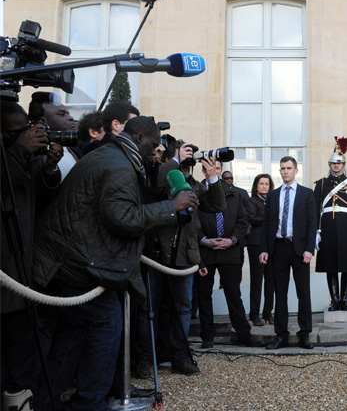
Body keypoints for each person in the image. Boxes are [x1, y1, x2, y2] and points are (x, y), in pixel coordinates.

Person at [32, 116, 198, 410]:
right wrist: (171, 207)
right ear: (138, 137)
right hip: (80, 265)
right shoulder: (120, 165)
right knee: (106, 330)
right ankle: (89, 403)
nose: (156, 149)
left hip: (69, 260)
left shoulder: (112, 155)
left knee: (72, 334)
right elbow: (123, 218)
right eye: (153, 143)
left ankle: (46, 401)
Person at [133, 141, 225, 376]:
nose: (186, 165)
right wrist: (174, 159)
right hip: (156, 255)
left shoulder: (194, 186)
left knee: (183, 310)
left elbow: (217, 205)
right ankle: (145, 360)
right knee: (148, 310)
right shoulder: (159, 179)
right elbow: (155, 184)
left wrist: (213, 177)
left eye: (188, 162)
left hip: (183, 258)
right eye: (183, 159)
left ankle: (180, 358)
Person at [1, 101, 62, 401]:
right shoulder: (15, 154)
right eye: (15, 133)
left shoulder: (23, 155)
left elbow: (40, 199)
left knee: (23, 366)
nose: (25, 137)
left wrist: (49, 168)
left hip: (22, 277)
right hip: (4, 272)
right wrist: (19, 151)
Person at [197, 161, 257, 348]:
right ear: (203, 170)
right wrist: (204, 240)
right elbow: (190, 223)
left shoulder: (235, 194)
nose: (213, 170)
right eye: (209, 167)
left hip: (230, 252)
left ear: (220, 170)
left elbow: (243, 221)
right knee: (203, 295)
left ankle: (244, 334)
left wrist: (232, 240)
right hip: (205, 252)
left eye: (216, 167)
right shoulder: (196, 192)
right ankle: (207, 337)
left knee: (233, 294)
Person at [259, 157, 317, 350]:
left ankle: (304, 334)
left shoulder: (306, 194)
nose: (285, 172)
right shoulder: (273, 196)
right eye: (282, 168)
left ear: (296, 171)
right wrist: (264, 249)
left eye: (289, 168)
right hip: (278, 248)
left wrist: (310, 249)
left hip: (300, 250)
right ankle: (281, 335)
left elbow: (312, 224)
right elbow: (266, 224)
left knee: (303, 293)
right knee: (280, 294)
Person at [314, 137, 347, 311]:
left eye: (339, 163)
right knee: (331, 265)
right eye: (333, 163)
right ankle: (334, 300)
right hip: (327, 226)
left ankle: (344, 299)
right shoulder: (321, 185)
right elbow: (315, 209)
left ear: (343, 165)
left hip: (346, 226)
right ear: (329, 165)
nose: (336, 166)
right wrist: (316, 230)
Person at [244, 173, 276, 326]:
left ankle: (268, 313)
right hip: (256, 243)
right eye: (261, 183)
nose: (264, 186)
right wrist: (269, 219)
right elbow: (252, 218)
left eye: (267, 184)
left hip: (272, 244)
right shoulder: (251, 201)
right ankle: (254, 315)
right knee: (257, 280)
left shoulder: (274, 200)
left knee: (271, 281)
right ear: (256, 185)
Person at [29, 91, 80, 178]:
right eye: (62, 114)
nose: (70, 118)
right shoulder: (34, 154)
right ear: (42, 121)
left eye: (68, 114)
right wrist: (50, 168)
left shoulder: (75, 148)